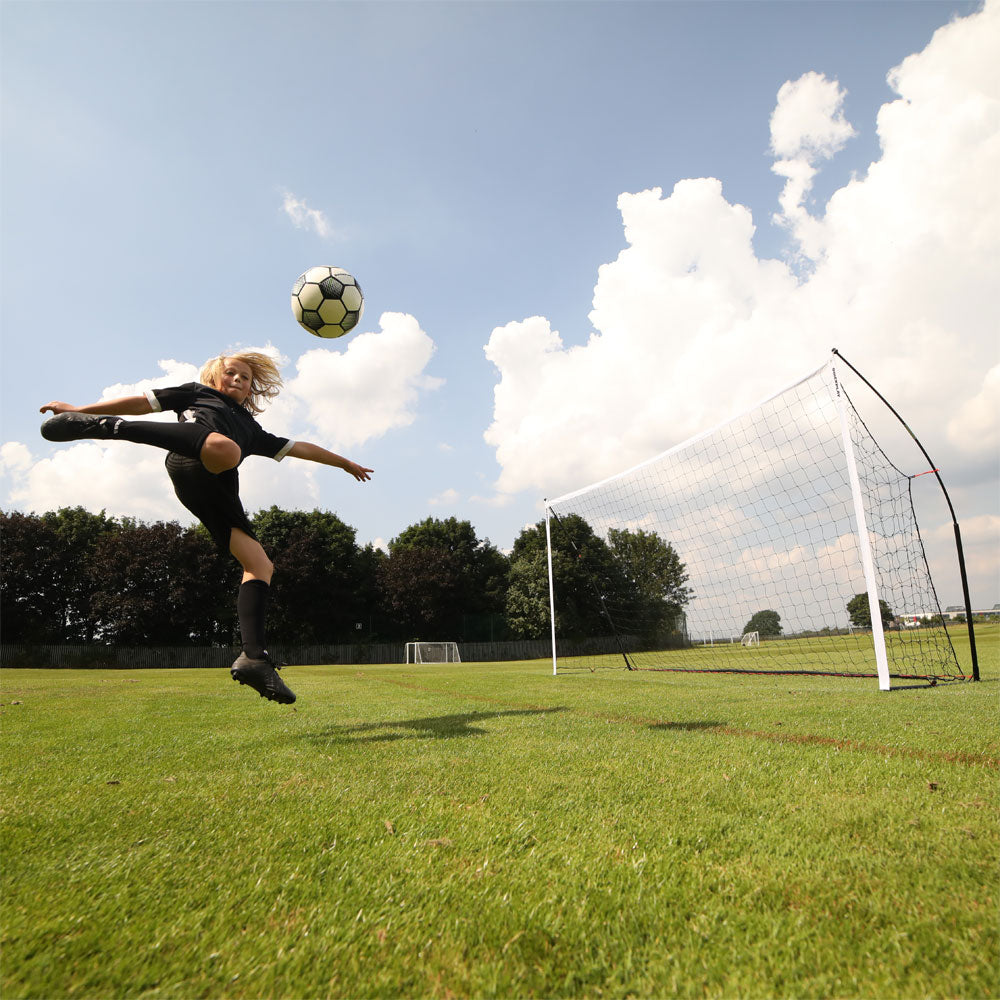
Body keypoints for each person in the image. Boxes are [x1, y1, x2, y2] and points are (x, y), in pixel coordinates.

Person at [39, 351, 373, 705]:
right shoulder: (197, 393)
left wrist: (344, 462)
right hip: (190, 460)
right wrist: (82, 410)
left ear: (251, 390)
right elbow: (142, 401)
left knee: (260, 565)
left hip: (217, 488)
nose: (239, 380)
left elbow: (298, 447)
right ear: (216, 377)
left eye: (245, 378)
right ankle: (109, 427)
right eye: (231, 373)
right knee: (223, 447)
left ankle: (254, 659)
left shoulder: (252, 430)